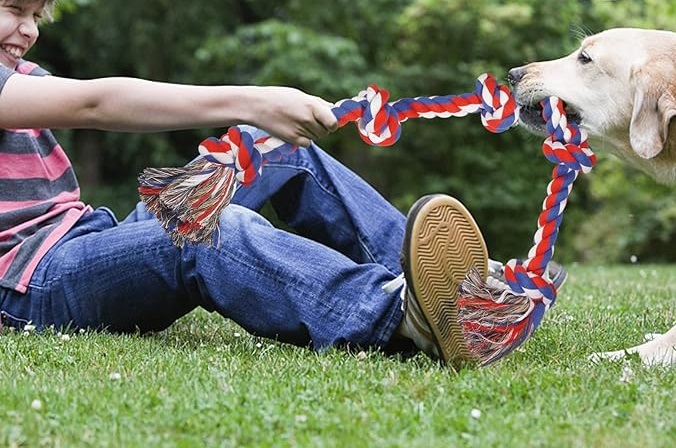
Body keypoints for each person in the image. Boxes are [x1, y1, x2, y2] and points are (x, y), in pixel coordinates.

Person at [0, 0, 566, 369]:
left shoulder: (24, 76)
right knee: (210, 229)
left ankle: (451, 298)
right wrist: (253, 96)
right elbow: (97, 101)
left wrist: (259, 118)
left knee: (267, 149)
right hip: (31, 287)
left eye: (36, 15)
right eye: (11, 9)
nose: (27, 29)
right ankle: (397, 319)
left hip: (82, 241)